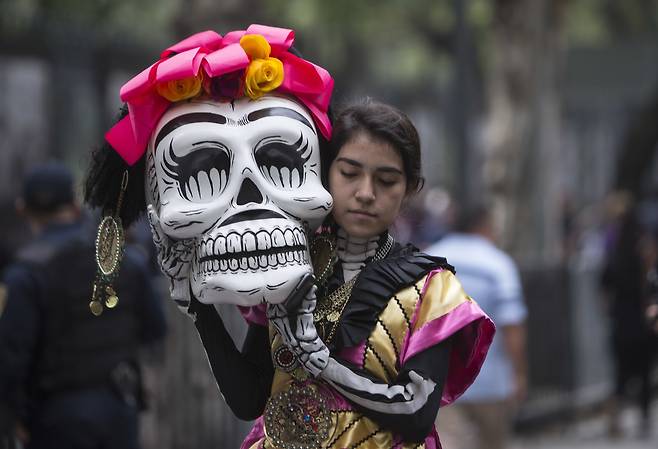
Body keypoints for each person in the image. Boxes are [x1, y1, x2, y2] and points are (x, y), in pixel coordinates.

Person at [183, 99, 495, 448]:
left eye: (387, 180)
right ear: (325, 173)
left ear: (409, 190)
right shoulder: (287, 264)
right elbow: (249, 400)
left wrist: (320, 360)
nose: (365, 193)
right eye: (349, 173)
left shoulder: (433, 290)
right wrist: (199, 308)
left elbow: (416, 414)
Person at [0, 163, 167, 449]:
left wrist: (10, 416)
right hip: (119, 407)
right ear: (75, 206)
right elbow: (155, 329)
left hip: (54, 418)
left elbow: (11, 359)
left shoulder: (24, 275)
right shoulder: (124, 259)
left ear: (23, 210)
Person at [426, 203, 527, 449]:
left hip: (441, 383)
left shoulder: (429, 260)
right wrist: (520, 374)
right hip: (491, 383)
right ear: (485, 225)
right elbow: (512, 325)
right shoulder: (498, 264)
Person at [600, 200, 655, 438]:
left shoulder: (615, 254)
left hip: (621, 320)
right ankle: (643, 419)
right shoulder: (644, 253)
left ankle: (616, 418)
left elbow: (603, 285)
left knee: (620, 373)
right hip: (643, 322)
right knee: (644, 373)